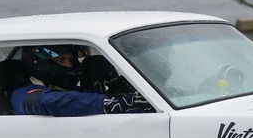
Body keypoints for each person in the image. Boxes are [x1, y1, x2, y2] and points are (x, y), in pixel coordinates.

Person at [11, 45, 153, 116]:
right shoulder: (24, 95)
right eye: (61, 59)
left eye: (72, 58)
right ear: (39, 62)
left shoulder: (74, 91)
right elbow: (54, 102)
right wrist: (109, 103)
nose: (70, 65)